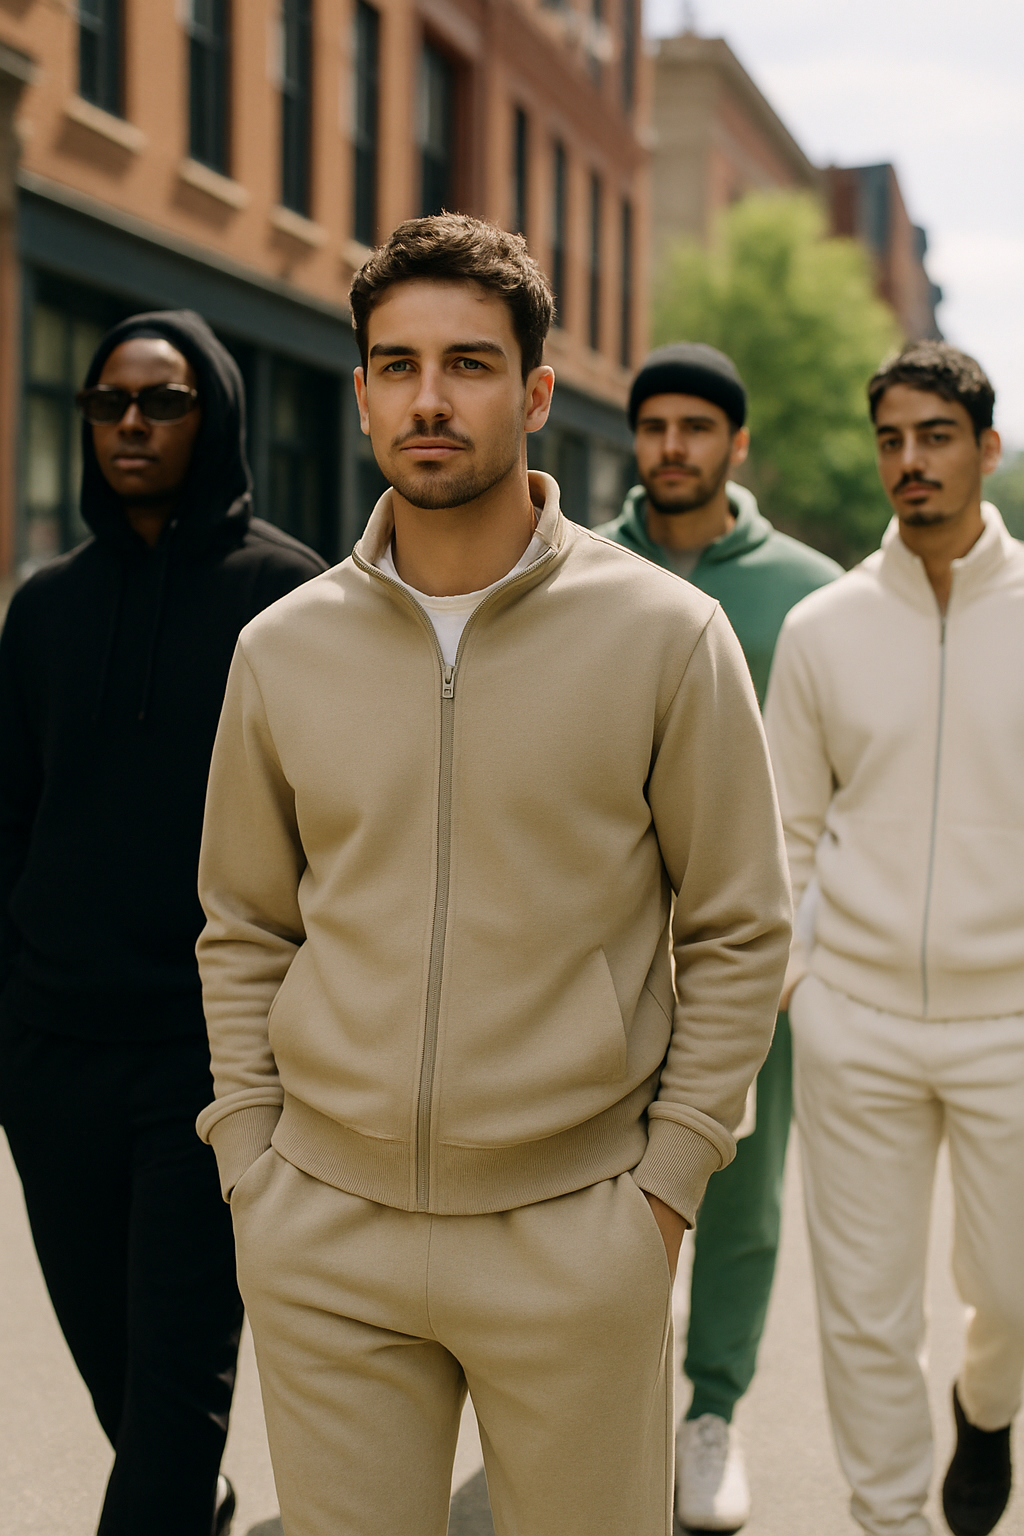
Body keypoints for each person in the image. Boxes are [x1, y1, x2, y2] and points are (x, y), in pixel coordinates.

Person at [194, 214, 791, 1536]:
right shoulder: (281, 652)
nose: (428, 398)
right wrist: (252, 1161)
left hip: (577, 1232)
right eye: (397, 366)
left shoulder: (666, 637)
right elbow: (241, 923)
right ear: (359, 394)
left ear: (532, 390)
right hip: (324, 1232)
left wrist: (664, 1193)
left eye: (467, 364)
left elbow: (742, 928)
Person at [0, 310, 325, 1536]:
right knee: (121, 1378)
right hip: (52, 1053)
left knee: (176, 1391)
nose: (130, 424)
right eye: (106, 403)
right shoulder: (43, 609)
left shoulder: (291, 601)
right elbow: (8, 820)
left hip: (213, 1061)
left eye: (162, 401)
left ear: (218, 415)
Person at [764, 340, 1024, 1536]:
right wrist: (799, 984)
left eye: (933, 435)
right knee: (863, 1311)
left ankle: (987, 1403)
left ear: (985, 447)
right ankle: (890, 1522)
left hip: (1010, 1026)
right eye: (890, 439)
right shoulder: (822, 629)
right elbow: (784, 829)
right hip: (855, 1018)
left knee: (1009, 1292)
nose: (908, 461)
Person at [597, 341, 842, 1531]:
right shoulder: (578, 567)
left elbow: (849, 789)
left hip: (758, 962)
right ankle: (602, 1409)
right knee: (595, 1192)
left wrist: (808, 945)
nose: (672, 448)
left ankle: (712, 1413)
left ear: (735, 444)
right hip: (600, 959)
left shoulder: (811, 593)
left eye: (697, 427)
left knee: (739, 1202)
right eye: (655, 428)